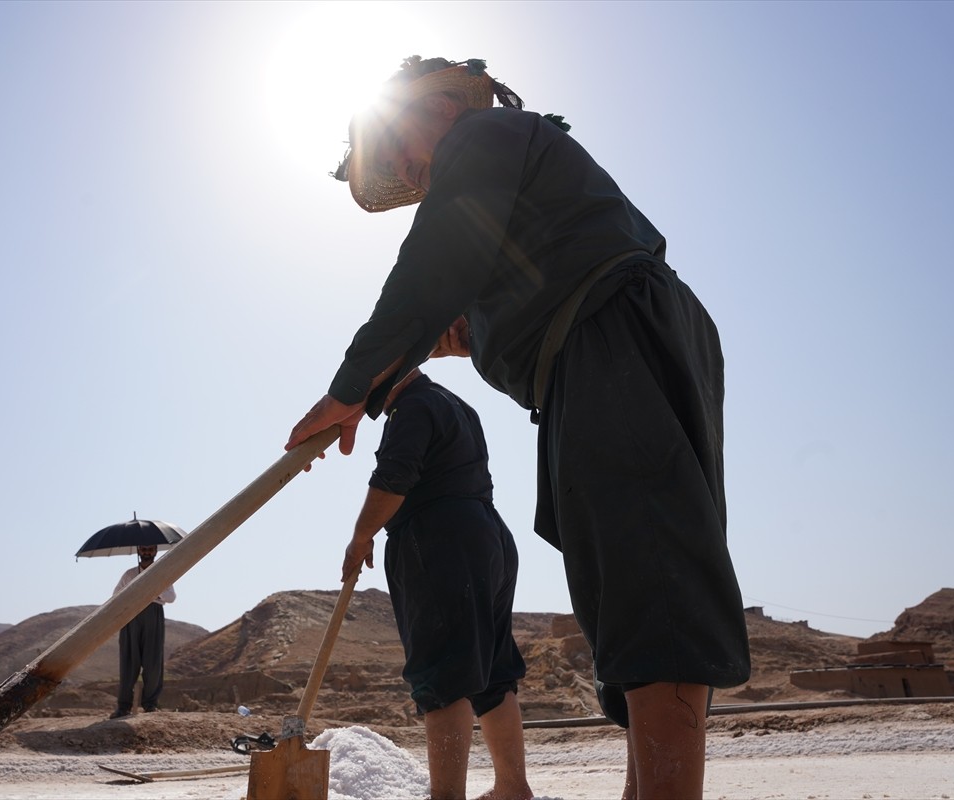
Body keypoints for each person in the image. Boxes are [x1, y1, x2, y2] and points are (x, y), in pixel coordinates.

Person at [286, 56, 751, 799]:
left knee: (648, 564)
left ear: (441, 106)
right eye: (399, 167)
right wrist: (477, 329)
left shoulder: (485, 132)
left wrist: (352, 385)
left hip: (614, 335)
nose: (412, 168)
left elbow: (435, 262)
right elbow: (503, 275)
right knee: (627, 581)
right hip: (596, 352)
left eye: (404, 146)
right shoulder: (503, 194)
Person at [343, 366, 531, 800]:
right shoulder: (455, 404)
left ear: (392, 369)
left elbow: (393, 478)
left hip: (441, 543)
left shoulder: (412, 407)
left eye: (368, 376)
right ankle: (511, 788)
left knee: (444, 675)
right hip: (489, 539)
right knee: (493, 674)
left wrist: (361, 536)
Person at [109, 544, 176, 719]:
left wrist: (154, 586)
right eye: (144, 549)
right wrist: (135, 591)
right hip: (131, 616)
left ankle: (150, 705)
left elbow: (171, 597)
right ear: (139, 551)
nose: (147, 552)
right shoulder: (129, 574)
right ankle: (123, 707)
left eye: (150, 549)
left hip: (153, 615)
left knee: (153, 662)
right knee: (129, 662)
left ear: (155, 551)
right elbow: (116, 595)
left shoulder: (162, 572)